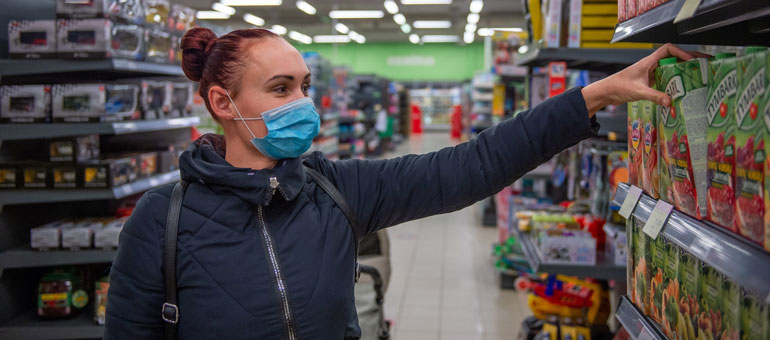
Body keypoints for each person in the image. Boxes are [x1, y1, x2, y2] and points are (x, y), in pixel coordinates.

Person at [104, 27, 702, 339]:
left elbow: (473, 166)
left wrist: (593, 95)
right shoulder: (162, 221)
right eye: (281, 89)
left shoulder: (337, 191)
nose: (304, 104)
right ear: (222, 103)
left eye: (305, 85)